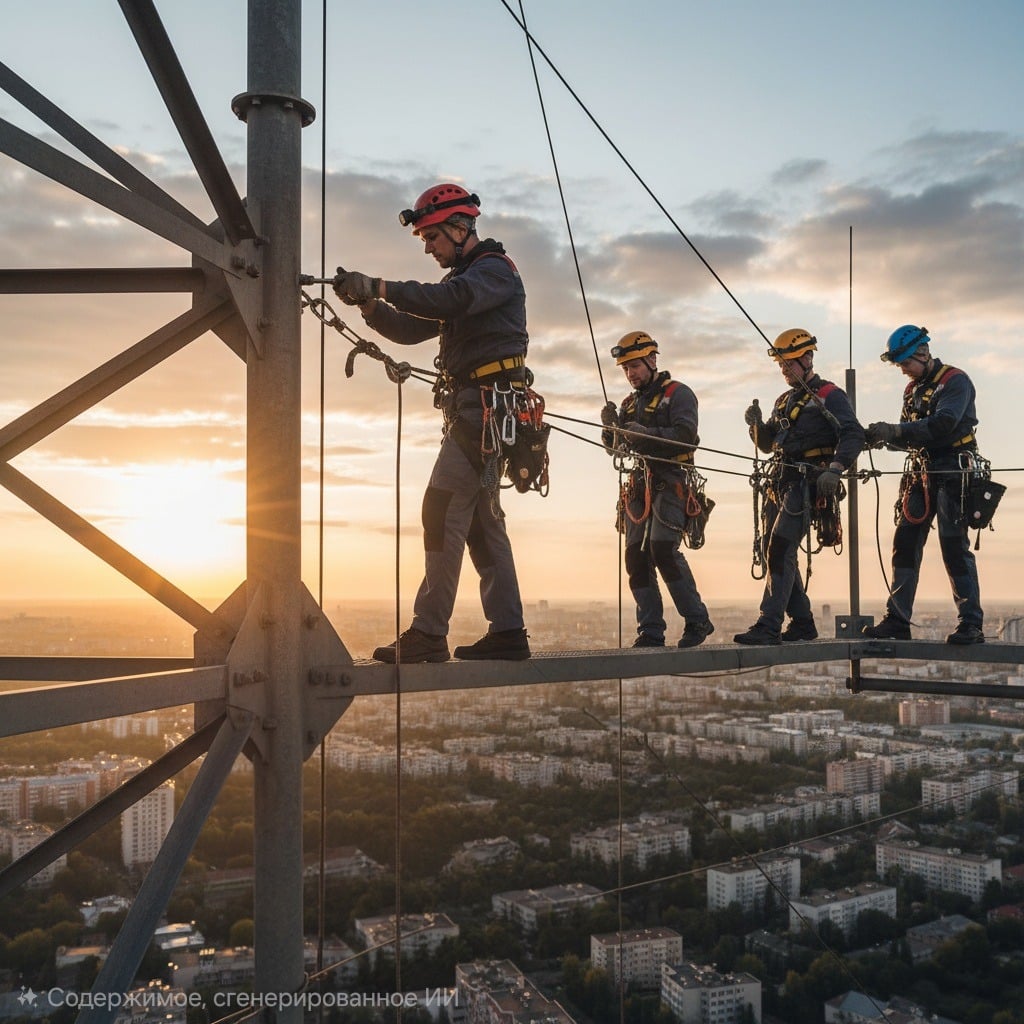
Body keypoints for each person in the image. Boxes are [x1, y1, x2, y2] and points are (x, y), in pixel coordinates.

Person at [333, 183, 530, 663]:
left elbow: (446, 301)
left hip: (485, 410)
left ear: (460, 228)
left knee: (440, 509)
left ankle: (429, 632)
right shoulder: (466, 284)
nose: (427, 248)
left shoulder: (492, 272)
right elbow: (411, 327)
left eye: (431, 237)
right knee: (481, 524)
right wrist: (368, 305)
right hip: (478, 411)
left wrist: (379, 285)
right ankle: (508, 631)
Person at [735, 329, 864, 645]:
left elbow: (853, 433)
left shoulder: (830, 395)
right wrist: (756, 426)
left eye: (789, 364)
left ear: (807, 358)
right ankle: (803, 622)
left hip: (807, 484)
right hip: (781, 481)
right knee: (773, 549)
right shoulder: (784, 400)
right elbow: (769, 445)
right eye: (781, 365)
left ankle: (769, 624)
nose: (784, 370)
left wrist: (835, 468)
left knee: (780, 548)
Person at [861, 325, 984, 644]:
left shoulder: (955, 381)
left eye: (905, 363)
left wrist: (895, 431)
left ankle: (971, 623)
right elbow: (911, 436)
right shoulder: (912, 390)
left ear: (923, 352)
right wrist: (881, 437)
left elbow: (944, 424)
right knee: (904, 543)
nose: (903, 369)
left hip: (953, 469)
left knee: (953, 547)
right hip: (922, 472)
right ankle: (897, 620)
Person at [600, 331, 714, 648]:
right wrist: (609, 428)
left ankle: (697, 619)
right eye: (626, 369)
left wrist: (644, 434)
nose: (630, 374)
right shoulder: (629, 404)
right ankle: (650, 630)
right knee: (635, 556)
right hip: (641, 485)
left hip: (672, 479)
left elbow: (686, 435)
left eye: (635, 366)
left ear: (652, 360)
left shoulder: (678, 394)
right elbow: (615, 449)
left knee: (662, 548)